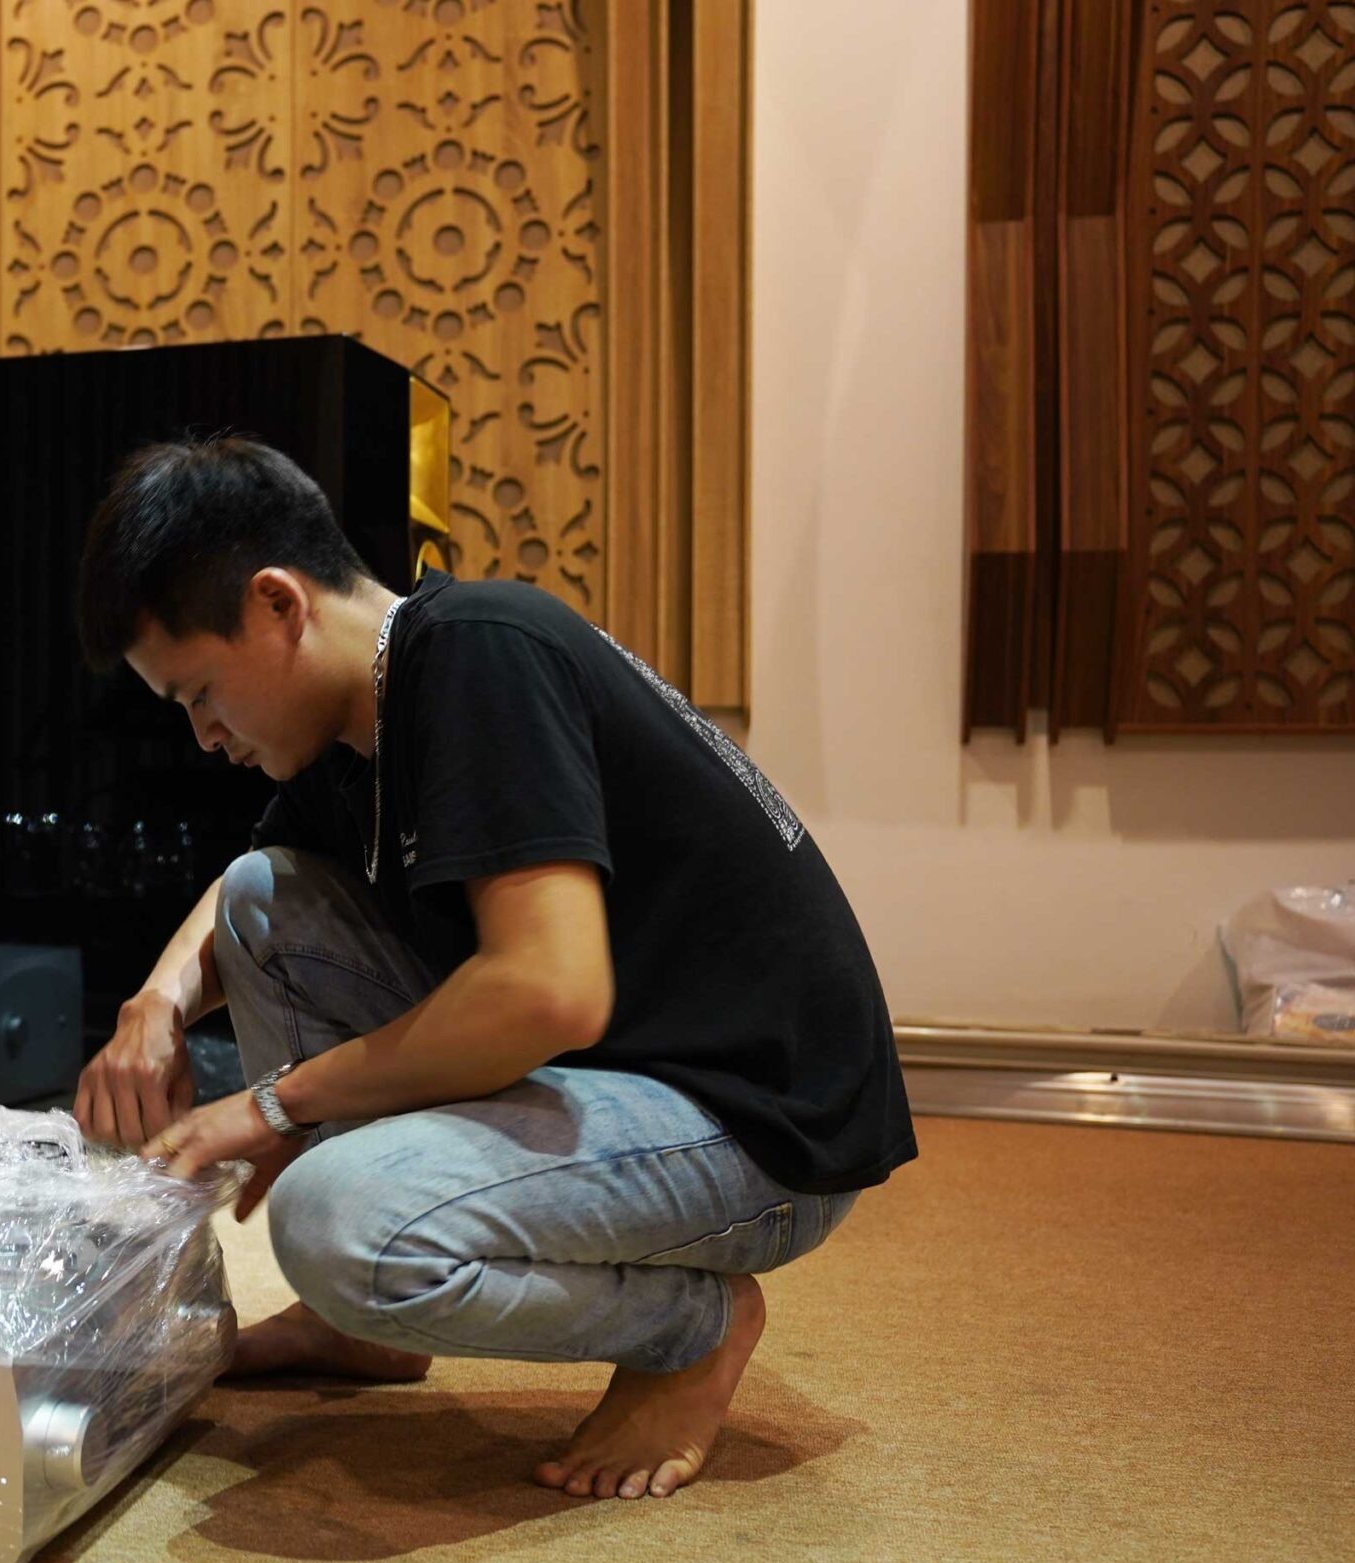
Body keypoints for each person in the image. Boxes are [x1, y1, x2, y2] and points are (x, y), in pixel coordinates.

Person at [69, 434, 916, 1501]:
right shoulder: (363, 715)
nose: (203, 734)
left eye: (199, 693)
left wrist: (276, 1104)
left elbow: (549, 991)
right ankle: (361, 1330)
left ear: (279, 604)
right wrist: (154, 1003)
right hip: (632, 1069)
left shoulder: (479, 656)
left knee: (334, 1218)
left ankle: (692, 1329)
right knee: (260, 897)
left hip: (759, 1127)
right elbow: (246, 893)